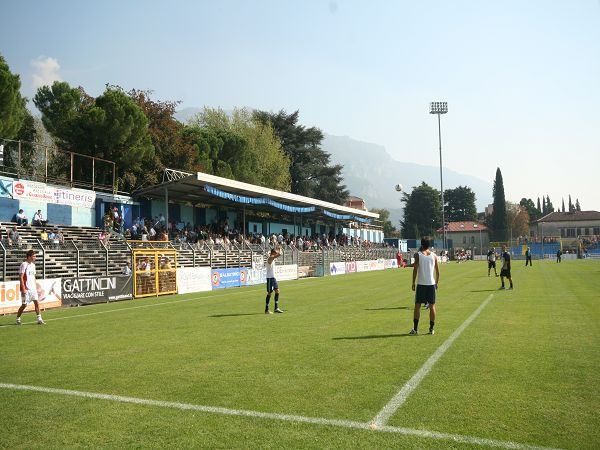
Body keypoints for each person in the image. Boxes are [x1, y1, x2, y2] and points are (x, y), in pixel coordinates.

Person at [409, 237, 440, 335]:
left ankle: (415, 329)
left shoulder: (418, 255)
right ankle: (431, 329)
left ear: (421, 244)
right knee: (432, 306)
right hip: (431, 284)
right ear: (429, 244)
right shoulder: (434, 255)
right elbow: (438, 272)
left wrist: (413, 283)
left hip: (421, 284)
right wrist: (437, 283)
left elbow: (415, 270)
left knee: (417, 306)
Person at [16, 250, 45, 325]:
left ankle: (39, 319)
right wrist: (23, 288)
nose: (35, 257)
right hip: (26, 289)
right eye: (34, 256)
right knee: (24, 305)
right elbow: (21, 276)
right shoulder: (24, 264)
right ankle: (18, 318)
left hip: (33, 289)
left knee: (36, 303)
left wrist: (36, 287)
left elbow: (33, 277)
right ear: (29, 257)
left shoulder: (33, 265)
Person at [265, 248, 283, 314]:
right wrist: (280, 248)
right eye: (276, 253)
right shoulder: (270, 258)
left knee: (277, 291)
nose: (277, 253)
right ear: (274, 253)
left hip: (273, 278)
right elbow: (280, 254)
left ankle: (276, 308)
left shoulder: (272, 258)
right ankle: (266, 309)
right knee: (269, 293)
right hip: (270, 278)